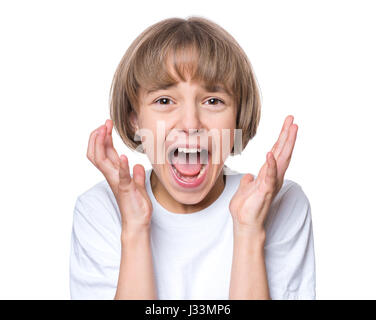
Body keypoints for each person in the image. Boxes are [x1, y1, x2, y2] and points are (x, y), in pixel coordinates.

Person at [69, 16, 315, 300]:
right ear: (135, 119)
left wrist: (249, 232)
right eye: (164, 100)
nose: (190, 123)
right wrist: (135, 229)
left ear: (237, 117)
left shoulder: (282, 203)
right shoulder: (100, 209)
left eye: (213, 101)